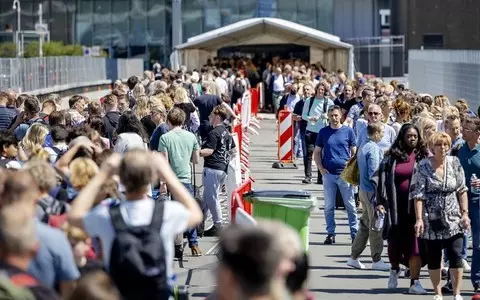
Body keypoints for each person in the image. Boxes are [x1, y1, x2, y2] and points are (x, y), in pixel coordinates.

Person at [68, 150, 203, 293]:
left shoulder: (106, 215)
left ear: (120, 178)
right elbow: (196, 214)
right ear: (153, 177)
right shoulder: (167, 212)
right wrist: (167, 173)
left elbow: (74, 216)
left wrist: (103, 173)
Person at [411, 132, 470, 300]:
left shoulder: (455, 163)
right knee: (434, 257)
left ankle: (457, 293)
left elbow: (462, 189)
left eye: (445, 144)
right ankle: (437, 293)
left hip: (453, 218)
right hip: (432, 218)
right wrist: (419, 218)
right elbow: (418, 195)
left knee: (456, 254)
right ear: (432, 147)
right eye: (439, 144)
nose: (443, 148)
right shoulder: (422, 166)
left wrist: (465, 214)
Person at [375, 123, 430, 294]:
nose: (412, 139)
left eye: (415, 136)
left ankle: (414, 282)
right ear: (402, 138)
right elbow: (380, 180)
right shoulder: (391, 157)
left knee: (415, 245)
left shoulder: (423, 157)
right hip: (394, 209)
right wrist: (379, 203)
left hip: (416, 209)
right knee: (393, 244)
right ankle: (394, 269)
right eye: (408, 136)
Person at [159, 107, 202, 256]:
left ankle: (176, 245)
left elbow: (164, 163)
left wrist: (163, 183)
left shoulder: (165, 138)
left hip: (171, 180)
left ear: (169, 120)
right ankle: (194, 244)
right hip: (186, 179)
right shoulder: (191, 136)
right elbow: (196, 160)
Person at [348, 122, 390, 271]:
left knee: (365, 224)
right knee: (376, 225)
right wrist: (380, 196)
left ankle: (354, 256)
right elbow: (375, 174)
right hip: (372, 192)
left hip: (363, 190)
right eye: (382, 131)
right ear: (377, 133)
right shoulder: (373, 148)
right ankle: (376, 259)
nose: (384, 134)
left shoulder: (364, 145)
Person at [313, 105, 358, 244]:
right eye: (332, 115)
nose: (334, 118)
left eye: (336, 115)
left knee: (350, 205)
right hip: (329, 174)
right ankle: (330, 233)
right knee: (329, 206)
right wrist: (320, 168)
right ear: (328, 116)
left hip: (344, 175)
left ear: (341, 116)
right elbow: (317, 152)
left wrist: (350, 167)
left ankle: (354, 234)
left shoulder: (348, 132)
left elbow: (354, 153)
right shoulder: (323, 132)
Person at [452, 117, 480, 294]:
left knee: (478, 243)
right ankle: (451, 280)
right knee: (454, 241)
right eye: (463, 128)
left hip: (477, 202)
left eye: (467, 129)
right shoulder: (458, 149)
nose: (462, 131)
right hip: (456, 201)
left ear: (477, 132)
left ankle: (477, 280)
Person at [200, 105, 236, 237]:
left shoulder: (214, 133)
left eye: (211, 115)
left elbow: (209, 150)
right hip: (222, 168)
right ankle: (200, 223)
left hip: (213, 168)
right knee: (207, 197)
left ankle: (218, 224)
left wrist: (196, 152)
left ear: (217, 117)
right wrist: (225, 159)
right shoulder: (226, 131)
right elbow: (234, 150)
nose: (209, 117)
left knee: (212, 197)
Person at [301, 82, 334, 184]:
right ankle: (308, 176)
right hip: (310, 131)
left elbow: (334, 115)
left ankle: (321, 177)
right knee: (309, 154)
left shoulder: (329, 102)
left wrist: (327, 116)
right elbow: (303, 115)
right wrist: (311, 118)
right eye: (319, 89)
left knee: (321, 155)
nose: (320, 92)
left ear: (325, 91)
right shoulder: (309, 101)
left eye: (322, 90)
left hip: (323, 131)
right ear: (316, 90)